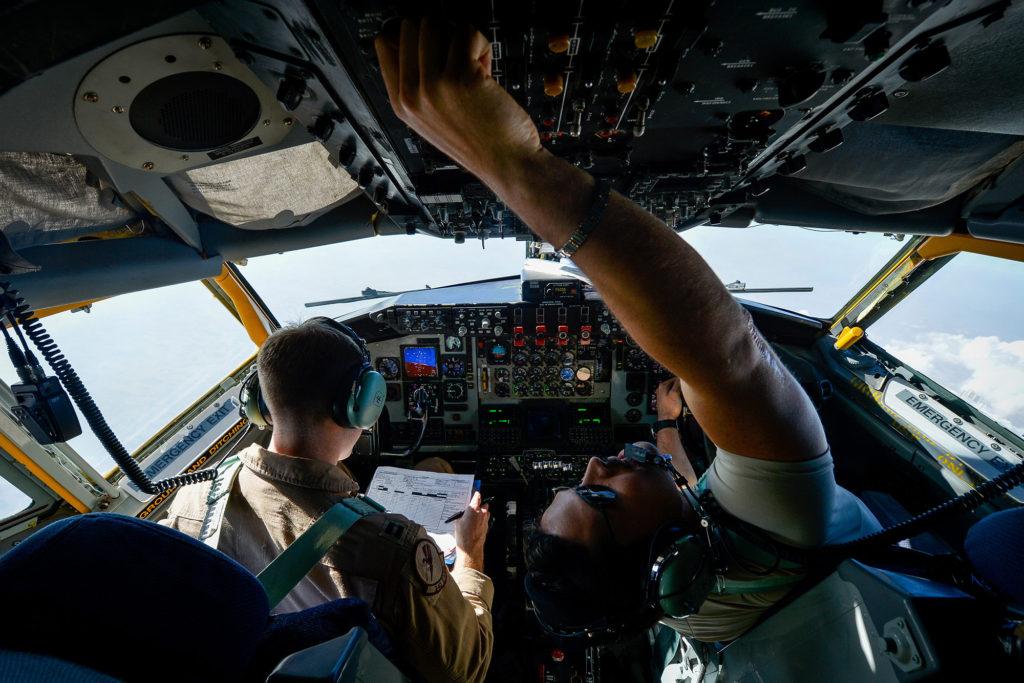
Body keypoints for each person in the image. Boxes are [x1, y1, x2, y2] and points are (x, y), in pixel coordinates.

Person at [372, 19, 881, 644]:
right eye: (602, 498)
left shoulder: (681, 592)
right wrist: (516, 165)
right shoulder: (784, 520)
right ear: (670, 558)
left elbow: (691, 499)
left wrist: (667, 425)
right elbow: (726, 354)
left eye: (579, 485)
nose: (592, 463)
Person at [159, 318, 494, 683]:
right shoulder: (394, 548)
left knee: (434, 467)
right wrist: (470, 556)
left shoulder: (192, 503)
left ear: (262, 405)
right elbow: (466, 669)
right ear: (363, 404)